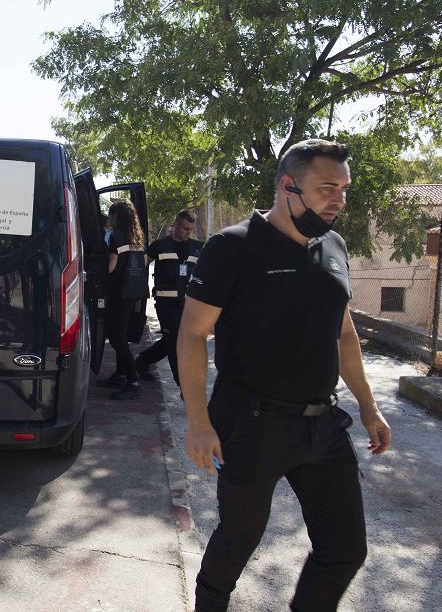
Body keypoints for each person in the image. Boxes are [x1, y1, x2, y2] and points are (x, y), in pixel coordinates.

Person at [178, 139, 392, 611]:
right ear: (287, 187)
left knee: (345, 549)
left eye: (344, 190)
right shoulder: (232, 247)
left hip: (323, 426)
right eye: (327, 189)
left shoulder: (334, 246)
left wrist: (369, 406)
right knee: (238, 539)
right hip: (251, 422)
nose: (338, 200)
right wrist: (198, 422)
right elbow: (192, 335)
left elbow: (345, 333)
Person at [133, 210, 203, 387]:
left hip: (188, 304)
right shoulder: (160, 245)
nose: (189, 232)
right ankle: (183, 385)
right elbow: (139, 267)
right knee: (174, 343)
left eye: (191, 229)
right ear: (176, 225)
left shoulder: (198, 247)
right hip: (165, 304)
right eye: (186, 228)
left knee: (173, 339)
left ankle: (142, 361)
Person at [100, 199, 149, 401]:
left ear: (116, 216)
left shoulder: (115, 237)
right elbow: (144, 263)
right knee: (122, 333)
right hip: (135, 291)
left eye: (111, 216)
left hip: (119, 292)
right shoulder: (138, 238)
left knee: (117, 337)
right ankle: (120, 375)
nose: (110, 220)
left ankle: (133, 381)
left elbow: (111, 267)